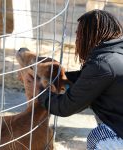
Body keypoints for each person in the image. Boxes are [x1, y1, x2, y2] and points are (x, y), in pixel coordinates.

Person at [27, 9, 123, 149]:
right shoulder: (115, 53)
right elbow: (88, 80)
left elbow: (65, 107)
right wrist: (58, 78)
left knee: (99, 136)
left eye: (78, 34)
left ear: (89, 36)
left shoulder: (103, 65)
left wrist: (41, 92)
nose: (76, 38)